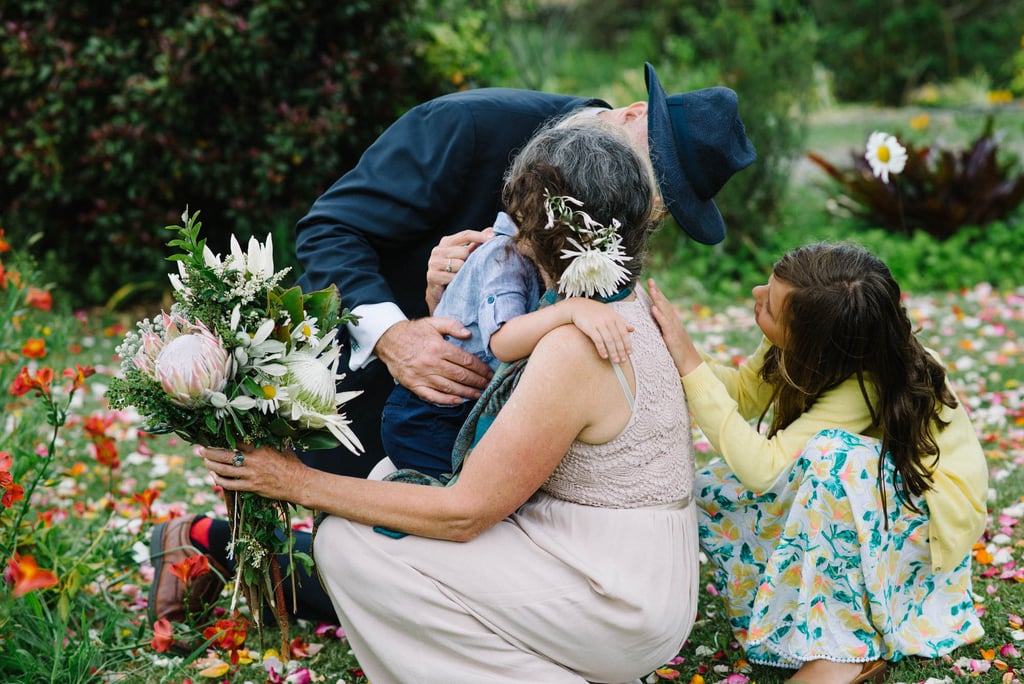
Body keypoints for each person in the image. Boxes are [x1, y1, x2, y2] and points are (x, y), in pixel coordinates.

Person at [147, 61, 756, 627]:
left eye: (656, 205)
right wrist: (398, 330)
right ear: (629, 113)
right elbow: (331, 229)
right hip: (386, 398)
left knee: (483, 572)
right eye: (652, 175)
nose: (637, 206)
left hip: (514, 410)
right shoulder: (466, 125)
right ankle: (202, 544)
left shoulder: (618, 183)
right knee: (384, 570)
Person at [647, 242, 988, 684]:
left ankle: (843, 649)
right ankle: (794, 611)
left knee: (829, 458)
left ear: (812, 344)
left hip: (922, 525)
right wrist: (676, 352)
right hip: (867, 506)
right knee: (715, 488)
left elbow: (763, 468)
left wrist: (690, 363)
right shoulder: (810, 344)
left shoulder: (867, 382)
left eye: (767, 305)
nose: (754, 295)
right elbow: (743, 396)